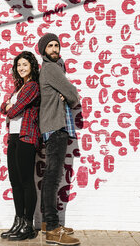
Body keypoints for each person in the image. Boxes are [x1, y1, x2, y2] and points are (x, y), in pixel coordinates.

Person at [38, 33, 81, 246]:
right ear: (43, 50)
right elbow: (73, 93)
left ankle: (48, 222)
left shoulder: (52, 69)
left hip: (53, 128)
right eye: (50, 46)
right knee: (53, 177)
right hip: (55, 128)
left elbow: (67, 94)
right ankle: (53, 229)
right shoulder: (51, 68)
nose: (54, 49)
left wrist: (64, 94)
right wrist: (68, 94)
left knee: (51, 176)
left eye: (57, 45)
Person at [0, 51, 41, 241]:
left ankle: (28, 225)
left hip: (26, 137)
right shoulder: (18, 88)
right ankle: (18, 222)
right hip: (14, 137)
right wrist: (7, 106)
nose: (21, 68)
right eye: (18, 65)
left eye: (25, 64)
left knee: (26, 182)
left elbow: (12, 109)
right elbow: (2, 108)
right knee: (15, 182)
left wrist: (9, 106)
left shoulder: (32, 87)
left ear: (32, 66)